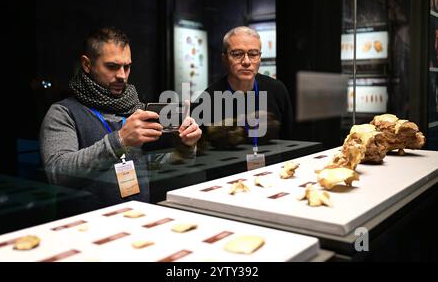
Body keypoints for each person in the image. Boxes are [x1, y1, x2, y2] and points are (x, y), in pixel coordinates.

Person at [40, 27, 201, 208]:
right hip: (86, 226)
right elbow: (58, 173)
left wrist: (185, 147)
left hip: (136, 217)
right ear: (87, 64)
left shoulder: (133, 109)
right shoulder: (63, 112)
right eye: (112, 66)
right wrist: (120, 140)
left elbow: (152, 165)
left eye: (127, 66)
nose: (122, 75)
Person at [200, 26, 292, 147]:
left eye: (253, 54)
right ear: (224, 59)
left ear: (260, 57)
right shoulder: (208, 99)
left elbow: (290, 139)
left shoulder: (277, 90)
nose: (247, 62)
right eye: (237, 54)